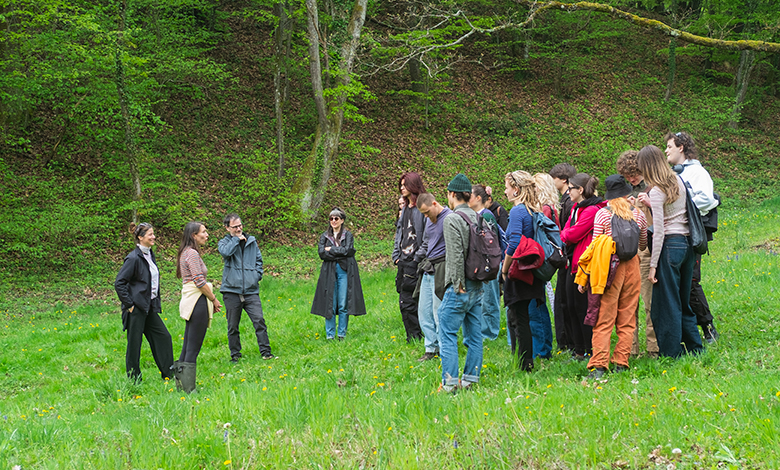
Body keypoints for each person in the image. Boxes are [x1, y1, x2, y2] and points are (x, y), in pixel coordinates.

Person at [577, 175, 647, 379]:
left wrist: (585, 277)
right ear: (627, 193)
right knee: (627, 317)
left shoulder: (602, 215)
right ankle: (621, 362)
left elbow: (595, 247)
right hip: (632, 266)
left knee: (604, 318)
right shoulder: (639, 215)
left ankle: (599, 365)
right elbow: (642, 244)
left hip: (608, 268)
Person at [637, 145, 703, 358]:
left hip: (670, 248)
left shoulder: (656, 190)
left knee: (667, 303)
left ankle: (672, 354)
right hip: (687, 246)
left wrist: (653, 266)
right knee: (683, 300)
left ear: (647, 167)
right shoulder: (678, 181)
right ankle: (695, 348)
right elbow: (675, 212)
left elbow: (660, 230)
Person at [665, 131, 720, 343]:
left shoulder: (697, 173)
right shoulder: (677, 172)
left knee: (691, 281)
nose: (666, 150)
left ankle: (708, 328)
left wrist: (682, 208)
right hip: (677, 233)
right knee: (680, 281)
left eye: (670, 146)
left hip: (691, 234)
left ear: (681, 147)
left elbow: (707, 200)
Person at [437, 174, 484, 393]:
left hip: (460, 286)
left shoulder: (452, 219)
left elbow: (455, 256)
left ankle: (449, 383)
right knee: (474, 336)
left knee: (446, 332)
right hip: (478, 285)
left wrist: (457, 285)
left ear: (452, 194)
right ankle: (471, 379)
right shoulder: (479, 217)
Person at [114, 223, 174, 382]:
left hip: (149, 307)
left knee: (164, 337)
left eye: (154, 234)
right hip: (136, 309)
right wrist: (129, 304)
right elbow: (119, 283)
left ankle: (169, 374)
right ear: (140, 237)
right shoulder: (133, 258)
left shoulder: (149, 255)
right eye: (150, 234)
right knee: (134, 345)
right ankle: (134, 380)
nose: (154, 237)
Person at [501, 170, 546, 372]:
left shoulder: (518, 211)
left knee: (519, 318)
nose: (505, 192)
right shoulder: (533, 210)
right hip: (530, 269)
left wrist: (505, 267)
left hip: (518, 269)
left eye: (507, 188)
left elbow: (515, 241)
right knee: (523, 318)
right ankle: (525, 360)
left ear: (516, 189)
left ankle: (524, 363)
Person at [617, 150, 659, 358]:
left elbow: (658, 221)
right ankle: (630, 350)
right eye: (628, 175)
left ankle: (653, 348)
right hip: (628, 252)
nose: (632, 178)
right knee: (628, 303)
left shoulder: (653, 188)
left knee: (649, 302)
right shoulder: (624, 192)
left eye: (635, 173)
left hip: (647, 251)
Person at [560, 173, 606, 360]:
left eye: (571, 188)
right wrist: (565, 234)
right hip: (572, 263)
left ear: (580, 190)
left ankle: (589, 348)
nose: (568, 191)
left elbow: (572, 234)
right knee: (571, 305)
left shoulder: (591, 210)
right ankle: (579, 348)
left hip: (584, 264)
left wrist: (564, 235)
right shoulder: (577, 208)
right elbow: (566, 230)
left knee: (582, 307)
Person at [218, 213, 274, 362]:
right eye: (235, 227)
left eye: (240, 225)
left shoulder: (252, 242)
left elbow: (259, 261)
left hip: (250, 291)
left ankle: (266, 352)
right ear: (227, 228)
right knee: (233, 326)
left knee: (259, 321)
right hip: (231, 290)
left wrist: (256, 276)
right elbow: (226, 253)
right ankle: (235, 355)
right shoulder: (224, 243)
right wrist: (236, 240)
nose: (239, 228)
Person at [173, 222, 222, 393]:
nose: (207, 234)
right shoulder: (192, 254)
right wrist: (214, 299)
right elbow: (199, 281)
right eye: (203, 232)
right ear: (194, 235)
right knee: (193, 347)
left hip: (192, 301)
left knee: (187, 344)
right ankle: (189, 389)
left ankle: (180, 386)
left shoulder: (185, 252)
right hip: (197, 302)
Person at [312, 208, 367, 339]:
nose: (333, 221)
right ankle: (330, 335)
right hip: (329, 272)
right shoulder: (324, 236)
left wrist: (331, 249)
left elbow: (348, 250)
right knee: (329, 303)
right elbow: (321, 253)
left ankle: (342, 334)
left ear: (342, 220)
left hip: (344, 271)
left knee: (343, 303)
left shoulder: (348, 235)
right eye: (331, 218)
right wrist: (338, 252)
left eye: (336, 218)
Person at [414, 193, 452, 361]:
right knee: (424, 311)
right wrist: (416, 257)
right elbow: (426, 242)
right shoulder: (429, 220)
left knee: (439, 312)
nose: (426, 216)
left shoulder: (449, 218)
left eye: (427, 212)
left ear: (435, 203)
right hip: (428, 268)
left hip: (442, 267)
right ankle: (431, 348)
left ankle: (445, 348)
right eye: (423, 213)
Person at [527, 173, 560, 359]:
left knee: (537, 305)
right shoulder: (550, 208)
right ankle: (543, 345)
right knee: (539, 302)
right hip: (544, 260)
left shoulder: (545, 210)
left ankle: (542, 348)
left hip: (540, 260)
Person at [393, 172, 426, 343]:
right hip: (404, 261)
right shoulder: (404, 209)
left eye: (405, 185)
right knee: (404, 299)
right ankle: (412, 337)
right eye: (401, 185)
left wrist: (417, 257)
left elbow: (428, 236)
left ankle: (419, 336)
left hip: (417, 261)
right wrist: (396, 255)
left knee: (416, 300)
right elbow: (400, 233)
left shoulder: (422, 208)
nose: (401, 188)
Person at [549, 163, 577, 353]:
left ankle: (566, 340)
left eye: (554, 179)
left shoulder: (569, 201)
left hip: (568, 256)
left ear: (564, 180)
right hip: (567, 255)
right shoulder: (566, 200)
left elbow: (567, 230)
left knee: (564, 300)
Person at [469, 184, 502, 341]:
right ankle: (481, 331)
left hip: (489, 263)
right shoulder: (473, 215)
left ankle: (490, 333)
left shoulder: (487, 215)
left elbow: (492, 242)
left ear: (478, 198)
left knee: (490, 298)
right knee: (481, 299)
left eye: (470, 195)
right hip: (479, 263)